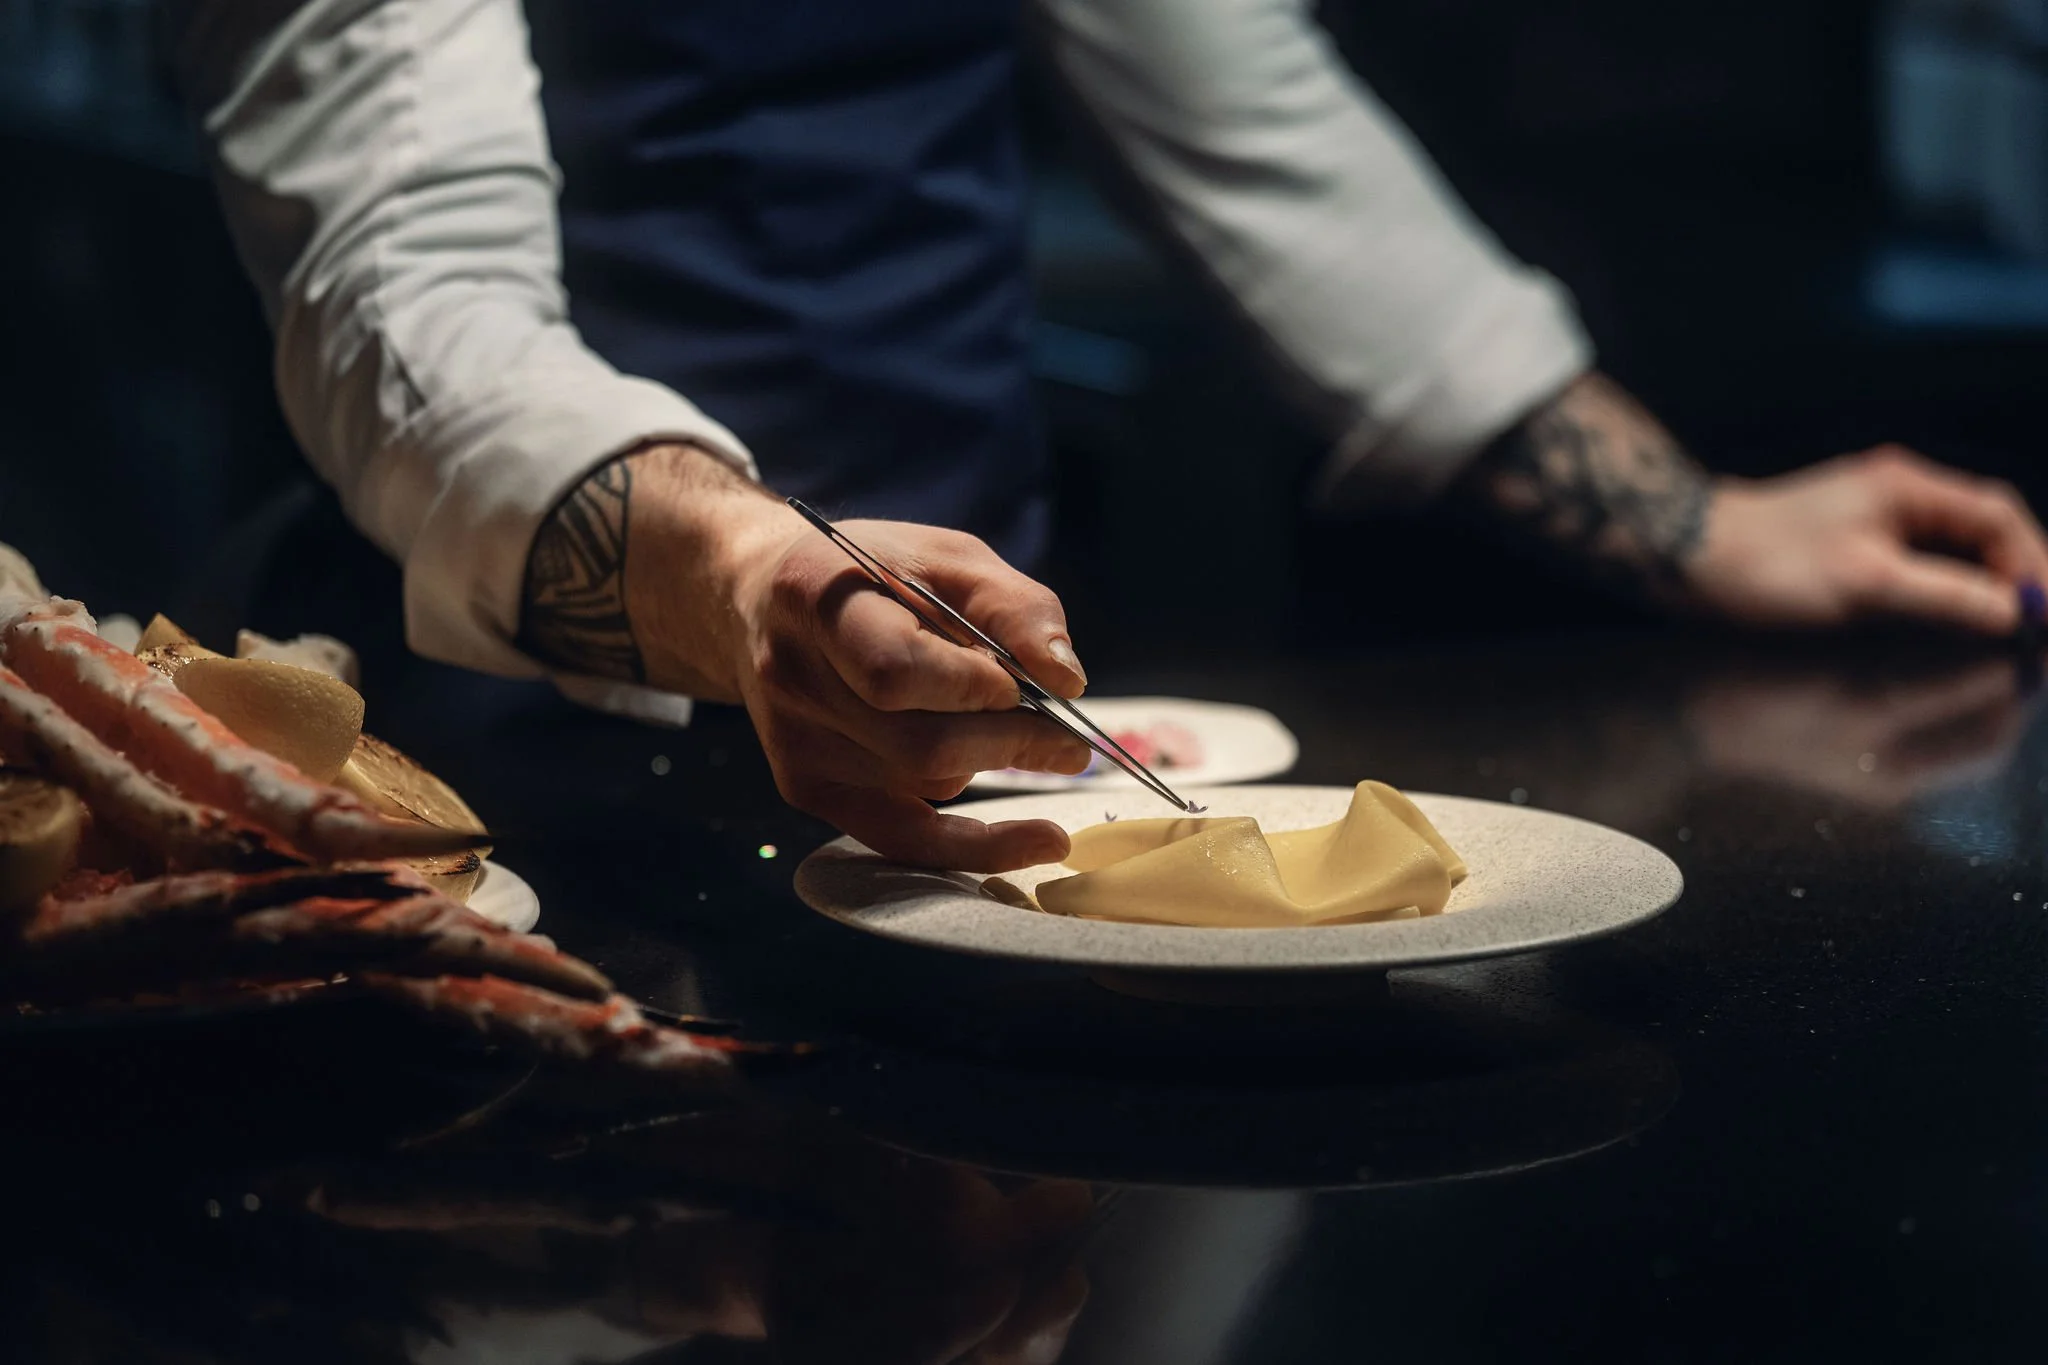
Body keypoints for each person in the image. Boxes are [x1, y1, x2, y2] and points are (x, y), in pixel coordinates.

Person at [168, 0, 2048, 872]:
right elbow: (411, 308)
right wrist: (745, 577)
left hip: (989, 724)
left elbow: (1262, 128)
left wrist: (1694, 521)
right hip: (525, 726)